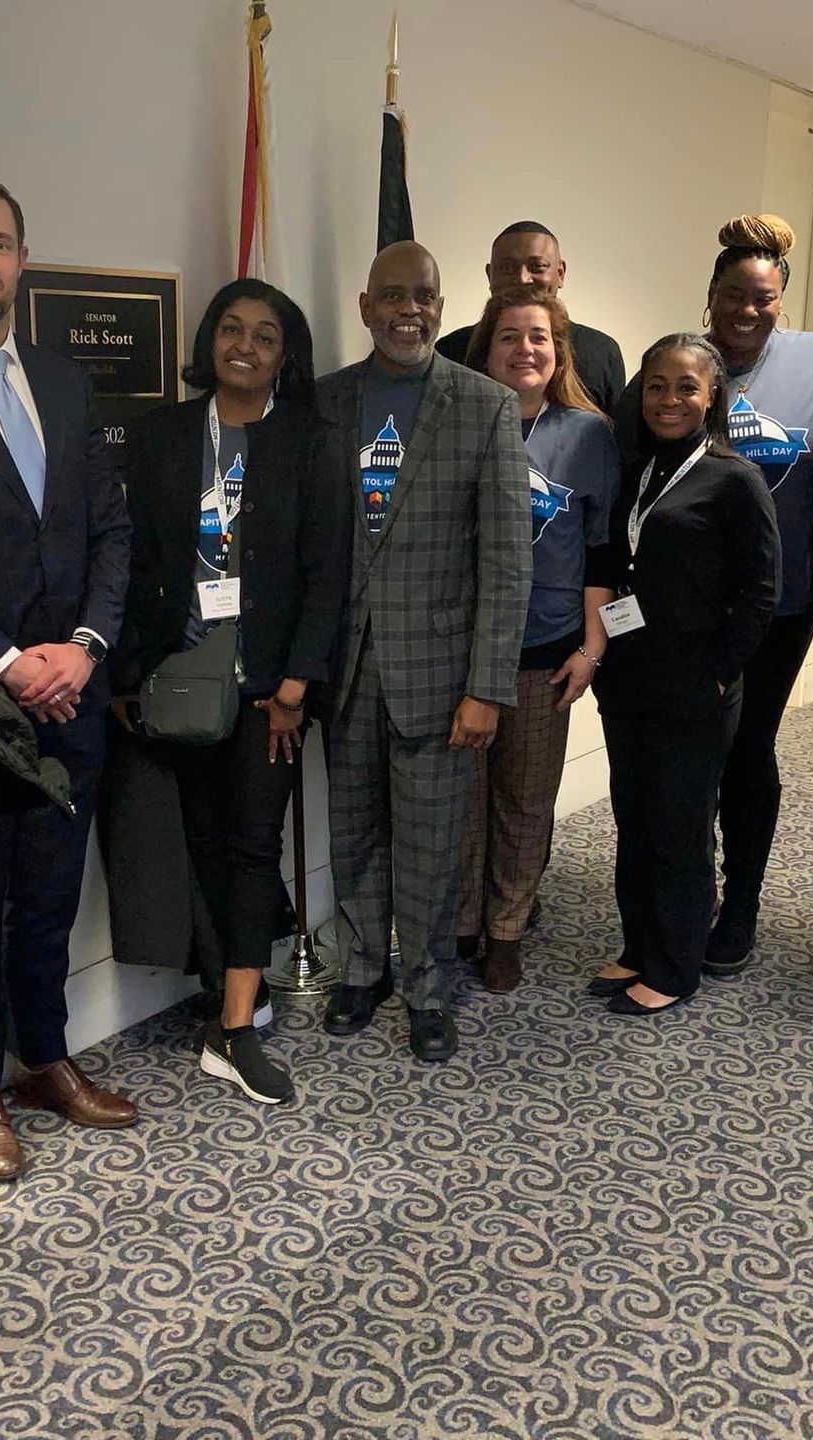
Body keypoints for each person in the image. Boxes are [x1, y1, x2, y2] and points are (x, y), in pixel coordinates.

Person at [0, 171, 136, 1180]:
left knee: (52, 886)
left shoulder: (63, 378)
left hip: (73, 691)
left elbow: (109, 530)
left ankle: (45, 1056)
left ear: (22, 257)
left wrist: (84, 647)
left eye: (0, 243)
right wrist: (9, 660)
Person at [110, 278, 350, 1103]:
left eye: (267, 334)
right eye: (232, 328)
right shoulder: (163, 436)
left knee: (252, 845)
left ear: (288, 354)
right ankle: (227, 989)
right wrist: (127, 673)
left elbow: (328, 571)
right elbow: (135, 562)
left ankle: (238, 1026)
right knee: (202, 844)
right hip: (175, 682)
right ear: (210, 338)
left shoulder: (312, 441)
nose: (245, 345)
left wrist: (296, 685)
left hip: (266, 693)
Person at [316, 240, 531, 1062]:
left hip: (441, 676)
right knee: (356, 832)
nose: (412, 310)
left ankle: (429, 988)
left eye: (427, 297)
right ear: (366, 307)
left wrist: (488, 686)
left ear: (445, 308)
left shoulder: (484, 406)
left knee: (433, 843)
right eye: (395, 296)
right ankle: (362, 971)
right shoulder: (326, 401)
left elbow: (508, 562)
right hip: (345, 667)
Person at [583, 333, 779, 1014]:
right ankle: (639, 946)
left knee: (679, 827)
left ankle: (676, 966)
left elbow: (761, 591)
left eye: (685, 387)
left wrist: (723, 670)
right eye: (657, 385)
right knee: (635, 820)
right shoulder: (636, 467)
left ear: (711, 395)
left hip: (697, 685)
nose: (669, 399)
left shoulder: (735, 477)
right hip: (630, 677)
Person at [690, 213, 813, 975]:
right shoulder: (682, 362)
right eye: (733, 294)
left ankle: (744, 899)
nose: (747, 310)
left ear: (781, 300)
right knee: (693, 748)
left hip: (779, 601)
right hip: (688, 605)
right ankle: (690, 888)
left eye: (762, 297)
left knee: (747, 748)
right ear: (711, 296)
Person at [454, 283, 619, 991]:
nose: (525, 349)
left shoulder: (588, 435)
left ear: (558, 352)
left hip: (545, 650)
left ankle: (506, 931)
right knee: (460, 802)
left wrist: (592, 646)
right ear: (485, 351)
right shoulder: (452, 427)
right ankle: (460, 924)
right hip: (460, 654)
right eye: (510, 337)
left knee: (525, 802)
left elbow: (604, 550)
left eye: (539, 337)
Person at [434, 221, 627, 415]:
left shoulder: (602, 352)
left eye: (537, 267)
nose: (522, 279)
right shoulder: (449, 353)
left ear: (560, 273)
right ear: (489, 275)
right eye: (508, 268)